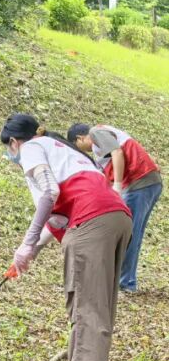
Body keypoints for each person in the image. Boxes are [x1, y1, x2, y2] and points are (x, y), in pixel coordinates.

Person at [1, 114, 131, 361]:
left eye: (9, 150)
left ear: (14, 142)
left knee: (87, 311)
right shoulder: (65, 150)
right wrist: (31, 251)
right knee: (90, 308)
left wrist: (26, 244)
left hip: (91, 222)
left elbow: (49, 194)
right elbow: (57, 219)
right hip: (115, 218)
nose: (11, 157)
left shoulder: (31, 148)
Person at [67, 123, 161, 293]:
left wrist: (118, 186)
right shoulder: (100, 152)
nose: (83, 151)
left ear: (80, 138)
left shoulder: (96, 132)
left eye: (78, 147)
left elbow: (118, 152)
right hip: (145, 184)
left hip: (139, 184)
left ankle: (126, 283)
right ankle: (125, 281)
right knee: (131, 233)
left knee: (129, 234)